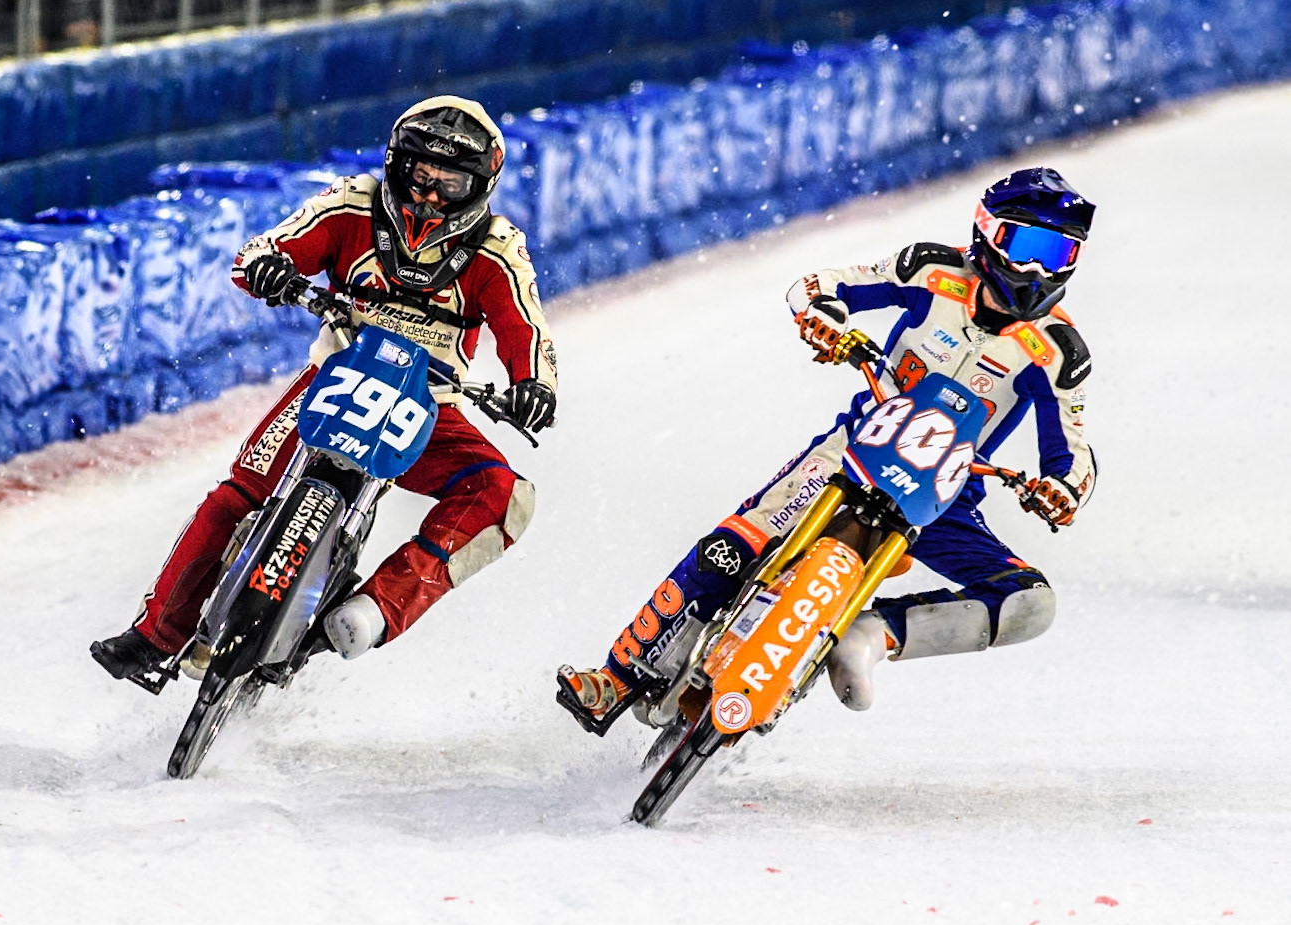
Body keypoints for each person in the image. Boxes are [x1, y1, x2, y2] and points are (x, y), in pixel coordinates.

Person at [558, 167, 1096, 725]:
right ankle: (615, 677)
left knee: (1030, 603)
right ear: (987, 233)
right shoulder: (931, 270)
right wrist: (826, 320)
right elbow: (819, 285)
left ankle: (868, 634)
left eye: (1058, 252)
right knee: (732, 546)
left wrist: (1062, 489)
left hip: (945, 492)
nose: (1037, 269)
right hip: (856, 447)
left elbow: (1073, 452)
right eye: (1026, 244)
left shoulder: (1058, 352)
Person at [92, 95, 558, 680]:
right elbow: (260, 250)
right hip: (330, 379)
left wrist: (533, 387)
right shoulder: (350, 202)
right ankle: (155, 636)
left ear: (481, 186)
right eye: (420, 176)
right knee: (238, 495)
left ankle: (372, 608)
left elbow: (528, 332)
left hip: (430, 407)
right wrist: (269, 268)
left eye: (451, 183)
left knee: (506, 496)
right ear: (397, 165)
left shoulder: (499, 247)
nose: (430, 196)